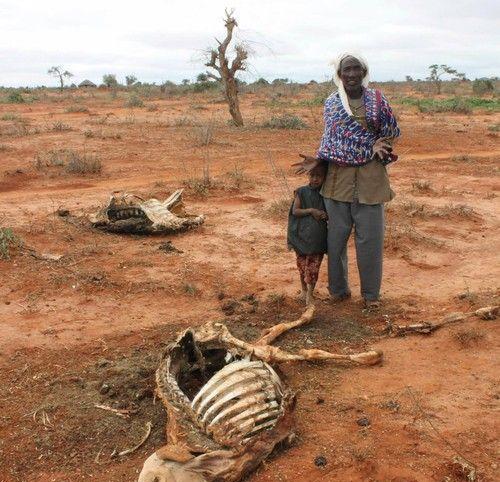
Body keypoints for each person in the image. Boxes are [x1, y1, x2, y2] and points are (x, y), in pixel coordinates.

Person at [294, 53, 401, 309]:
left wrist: (381, 145)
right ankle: (339, 291)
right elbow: (330, 141)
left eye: (356, 69)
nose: (351, 74)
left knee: (370, 243)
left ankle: (371, 297)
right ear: (339, 74)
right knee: (336, 241)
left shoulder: (378, 100)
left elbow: (391, 133)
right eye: (346, 70)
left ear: (364, 71)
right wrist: (319, 161)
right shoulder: (332, 103)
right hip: (337, 182)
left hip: (371, 182)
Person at [287, 163, 328, 305]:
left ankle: (310, 293)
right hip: (301, 236)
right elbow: (295, 211)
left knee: (313, 267)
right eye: (312, 176)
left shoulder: (326, 193)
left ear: (324, 177)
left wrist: (324, 215)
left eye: (319, 176)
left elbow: (331, 213)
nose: (315, 179)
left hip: (317, 238)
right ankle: (304, 291)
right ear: (308, 176)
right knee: (302, 265)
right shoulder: (301, 192)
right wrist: (311, 211)